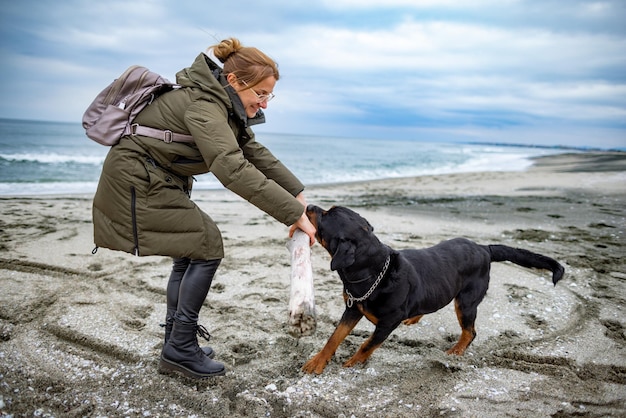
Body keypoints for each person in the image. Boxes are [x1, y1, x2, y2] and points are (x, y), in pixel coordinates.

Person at [92, 37, 316, 379]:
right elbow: (232, 168)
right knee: (206, 243)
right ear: (234, 82)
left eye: (270, 95)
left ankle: (176, 340)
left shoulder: (221, 107)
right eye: (261, 93)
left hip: (153, 178)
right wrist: (293, 214)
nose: (266, 103)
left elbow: (252, 153)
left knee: (192, 248)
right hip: (136, 180)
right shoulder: (204, 105)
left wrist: (297, 194)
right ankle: (180, 347)